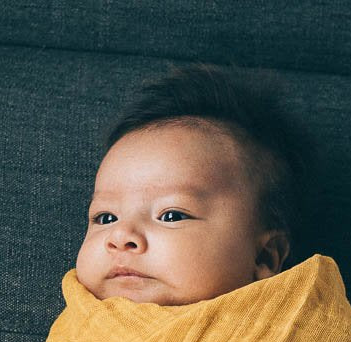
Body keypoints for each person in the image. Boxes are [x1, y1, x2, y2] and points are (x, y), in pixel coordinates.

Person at [75, 61, 322, 306]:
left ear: (264, 257)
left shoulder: (296, 333)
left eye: (171, 215)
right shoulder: (80, 322)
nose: (120, 236)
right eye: (105, 218)